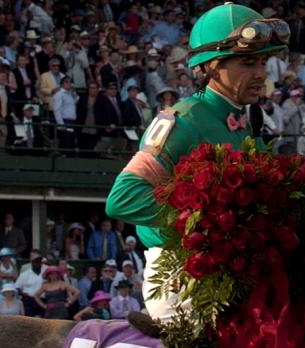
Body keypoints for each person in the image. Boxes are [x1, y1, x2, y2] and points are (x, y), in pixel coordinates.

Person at [105, 3, 287, 330]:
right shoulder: (181, 120)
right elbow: (122, 198)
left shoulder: (252, 125)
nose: (261, 73)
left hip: (236, 280)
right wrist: (206, 228)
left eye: (263, 61)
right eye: (248, 62)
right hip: (182, 284)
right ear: (212, 66)